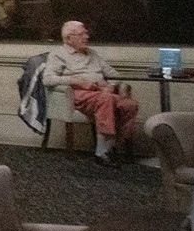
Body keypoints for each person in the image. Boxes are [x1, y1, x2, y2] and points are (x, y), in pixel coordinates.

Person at [40, 20, 138, 167]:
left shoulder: (92, 54)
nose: (86, 37)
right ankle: (102, 153)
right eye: (81, 34)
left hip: (102, 92)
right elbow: (48, 79)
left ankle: (115, 145)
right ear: (69, 38)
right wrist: (77, 81)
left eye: (86, 33)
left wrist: (111, 85)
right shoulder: (58, 55)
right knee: (106, 100)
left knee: (129, 104)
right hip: (77, 94)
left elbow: (114, 74)